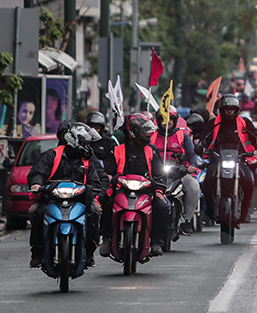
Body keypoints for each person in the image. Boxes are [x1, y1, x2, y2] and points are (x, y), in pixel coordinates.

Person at [27, 121, 105, 268]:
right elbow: (38, 172)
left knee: (95, 212)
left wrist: (95, 191)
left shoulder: (87, 160)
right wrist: (36, 184)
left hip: (80, 199)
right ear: (75, 141)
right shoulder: (51, 155)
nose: (89, 147)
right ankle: (37, 252)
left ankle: (89, 252)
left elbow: (95, 181)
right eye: (86, 144)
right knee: (36, 212)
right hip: (51, 198)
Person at [99, 113, 169, 258]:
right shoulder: (117, 150)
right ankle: (107, 237)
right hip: (121, 190)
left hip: (146, 191)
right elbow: (107, 171)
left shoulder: (151, 150)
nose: (146, 135)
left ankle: (157, 242)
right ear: (132, 132)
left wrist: (159, 191)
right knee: (107, 203)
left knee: (161, 207)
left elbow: (160, 173)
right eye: (143, 131)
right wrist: (110, 179)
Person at [199, 95, 257, 226]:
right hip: (217, 159)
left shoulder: (245, 122)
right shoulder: (213, 123)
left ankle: (244, 214)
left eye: (232, 109)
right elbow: (204, 138)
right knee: (207, 182)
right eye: (227, 109)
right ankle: (209, 212)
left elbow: (256, 137)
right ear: (221, 109)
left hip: (240, 159)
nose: (229, 112)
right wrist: (200, 146)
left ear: (237, 109)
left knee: (249, 181)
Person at [152, 106, 201, 235]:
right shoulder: (152, 136)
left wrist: (193, 165)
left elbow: (192, 154)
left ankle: (187, 221)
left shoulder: (183, 136)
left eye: (169, 120)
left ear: (174, 121)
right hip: (156, 175)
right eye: (163, 120)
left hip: (179, 173)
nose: (166, 123)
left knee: (193, 186)